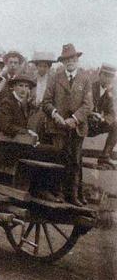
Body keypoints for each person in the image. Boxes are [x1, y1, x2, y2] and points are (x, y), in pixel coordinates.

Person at [42, 44, 93, 207]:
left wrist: (74, 119)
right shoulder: (55, 77)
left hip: (77, 127)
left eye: (72, 58)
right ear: (63, 62)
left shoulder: (85, 79)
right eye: (66, 59)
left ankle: (74, 195)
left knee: (75, 161)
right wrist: (55, 115)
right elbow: (46, 102)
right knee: (59, 158)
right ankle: (58, 193)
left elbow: (88, 105)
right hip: (58, 127)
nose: (70, 62)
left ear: (77, 59)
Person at [88, 63, 117, 167]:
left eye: (111, 76)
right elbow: (81, 106)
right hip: (84, 123)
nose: (108, 79)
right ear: (100, 74)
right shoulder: (90, 87)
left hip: (98, 123)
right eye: (105, 75)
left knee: (116, 126)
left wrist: (103, 119)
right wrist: (91, 114)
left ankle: (105, 156)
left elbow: (112, 113)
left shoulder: (112, 93)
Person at [27, 52, 57, 138]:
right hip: (33, 112)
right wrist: (32, 102)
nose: (42, 69)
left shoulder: (53, 81)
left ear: (49, 68)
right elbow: (28, 97)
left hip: (48, 113)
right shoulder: (32, 81)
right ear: (36, 67)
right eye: (40, 66)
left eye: (45, 66)